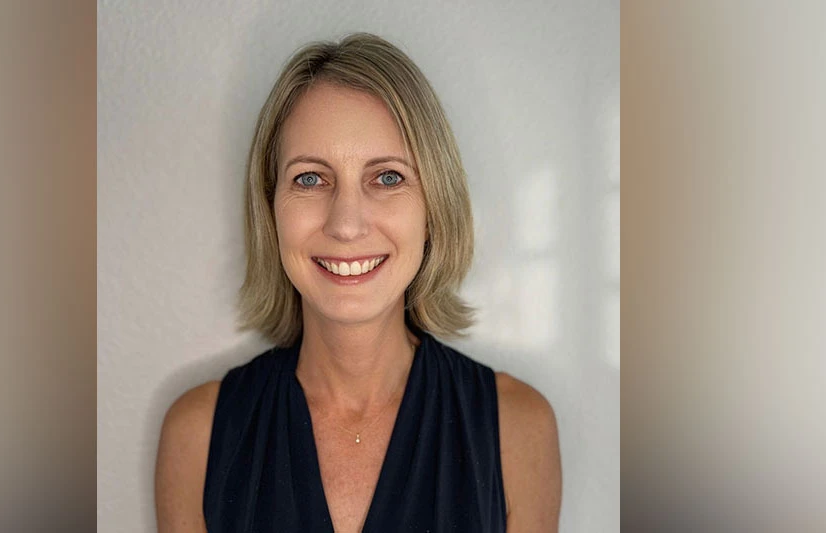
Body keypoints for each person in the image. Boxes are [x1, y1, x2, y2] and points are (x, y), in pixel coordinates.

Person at [155, 33, 561, 532]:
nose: (346, 224)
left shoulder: (518, 428)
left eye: (387, 177)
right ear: (271, 209)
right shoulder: (197, 436)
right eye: (310, 178)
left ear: (433, 208)